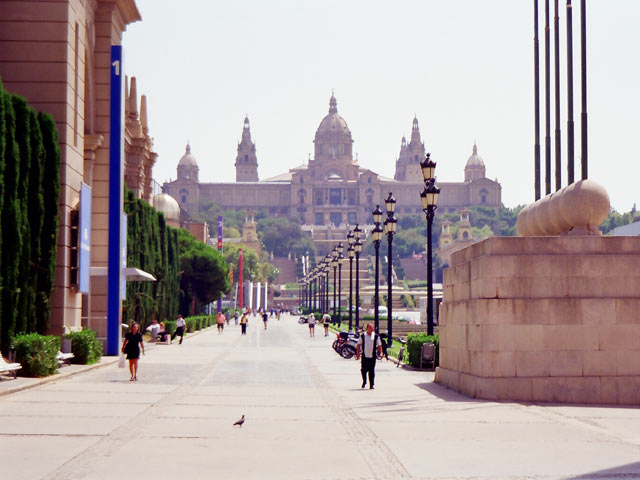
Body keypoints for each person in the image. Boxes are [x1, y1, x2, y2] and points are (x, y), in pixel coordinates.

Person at [356, 323, 382, 390]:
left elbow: (379, 345)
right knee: (363, 370)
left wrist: (381, 352)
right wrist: (358, 354)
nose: (371, 329)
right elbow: (358, 345)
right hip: (364, 356)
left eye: (372, 328)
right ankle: (364, 381)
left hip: (372, 357)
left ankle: (372, 384)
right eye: (370, 328)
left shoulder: (375, 336)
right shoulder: (363, 336)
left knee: (371, 371)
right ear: (367, 328)